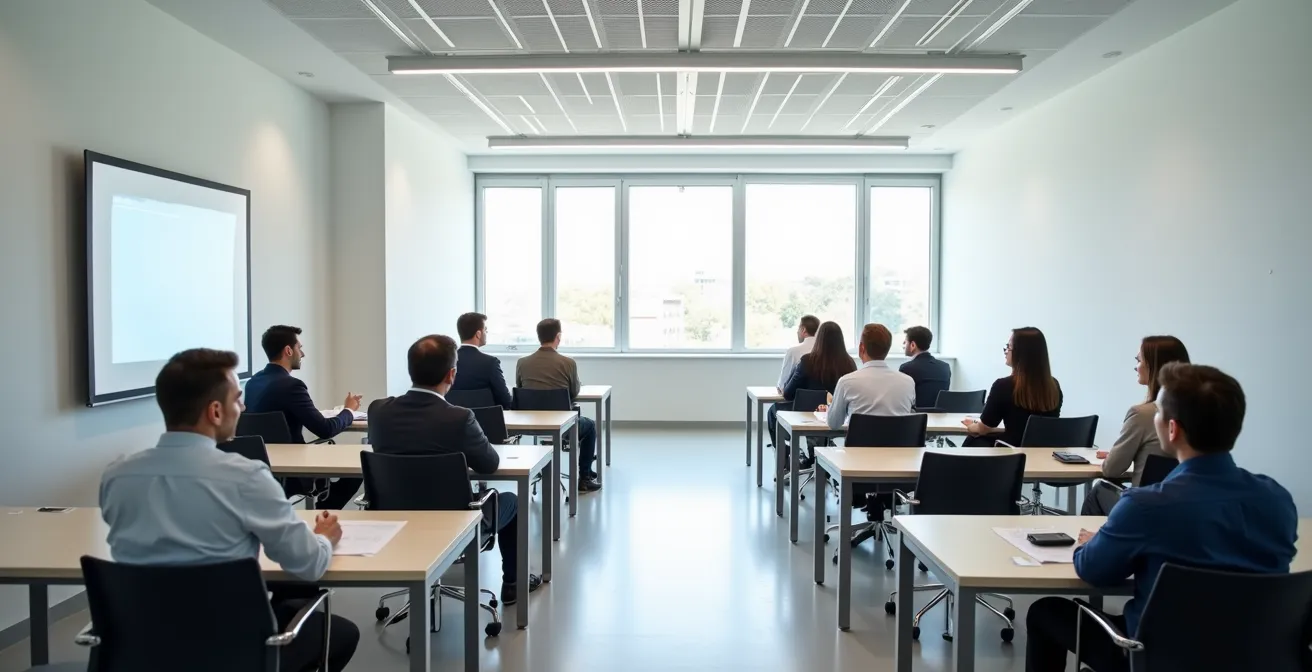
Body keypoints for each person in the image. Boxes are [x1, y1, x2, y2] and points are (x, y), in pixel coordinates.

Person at [1025, 363, 1297, 672]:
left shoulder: (1145, 506)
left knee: (1045, 612)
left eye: (1158, 413)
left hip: (1154, 657)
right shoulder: (1278, 500)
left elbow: (1093, 570)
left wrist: (1093, 543)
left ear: (1172, 429)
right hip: (1254, 658)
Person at [100, 349, 359, 672]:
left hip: (140, 648)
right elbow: (308, 565)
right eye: (238, 399)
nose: (245, 407)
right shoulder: (246, 478)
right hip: (231, 650)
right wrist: (324, 538)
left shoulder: (117, 476)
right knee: (343, 633)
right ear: (216, 412)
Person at [368, 335, 542, 605]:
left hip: (393, 521)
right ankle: (513, 584)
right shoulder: (459, 418)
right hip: (454, 525)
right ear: (451, 374)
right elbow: (489, 464)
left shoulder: (377, 411)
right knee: (512, 501)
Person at [244, 325, 362, 510]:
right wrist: (349, 410)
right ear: (288, 350)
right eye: (300, 347)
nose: (303, 354)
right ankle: (327, 509)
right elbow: (325, 429)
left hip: (260, 465)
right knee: (360, 463)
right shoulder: (292, 386)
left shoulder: (252, 383)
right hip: (292, 470)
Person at [515, 318, 600, 492]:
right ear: (558, 337)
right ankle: (584, 477)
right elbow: (574, 392)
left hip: (529, 424)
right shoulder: (568, 363)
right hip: (560, 425)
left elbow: (520, 389)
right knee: (590, 425)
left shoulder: (522, 362)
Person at [1102, 335, 1191, 484]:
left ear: (1153, 365)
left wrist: (1116, 456)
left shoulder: (1141, 414)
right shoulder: (1200, 414)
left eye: (1138, 360)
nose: (1136, 366)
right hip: (1189, 503)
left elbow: (1111, 469)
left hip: (1145, 503)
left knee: (1099, 490)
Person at [963, 327, 1061, 447]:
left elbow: (984, 428)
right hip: (1043, 453)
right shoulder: (1053, 386)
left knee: (973, 441)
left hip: (1012, 455)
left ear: (1020, 353)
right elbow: (1027, 430)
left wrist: (972, 425)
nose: (1005, 351)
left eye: (1009, 347)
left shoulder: (1002, 386)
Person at [769, 321, 856, 441]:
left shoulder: (807, 361)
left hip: (804, 414)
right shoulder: (849, 364)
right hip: (836, 416)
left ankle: (785, 454)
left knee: (773, 410)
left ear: (818, 339)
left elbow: (788, 394)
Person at [819, 323, 916, 430]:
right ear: (887, 349)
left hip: (859, 445)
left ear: (861, 348)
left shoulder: (846, 382)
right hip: (899, 445)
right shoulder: (908, 382)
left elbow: (833, 423)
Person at [450, 312, 513, 409]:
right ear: (478, 334)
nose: (486, 333)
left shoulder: (447, 361)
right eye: (485, 330)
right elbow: (505, 399)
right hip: (486, 422)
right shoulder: (490, 362)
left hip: (453, 420)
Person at [898, 326, 951, 410]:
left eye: (905, 342)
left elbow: (902, 399)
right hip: (941, 417)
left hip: (916, 419)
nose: (903, 345)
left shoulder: (906, 368)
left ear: (912, 345)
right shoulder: (945, 367)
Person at [776, 314, 820, 389]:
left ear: (803, 330)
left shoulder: (793, 351)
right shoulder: (826, 352)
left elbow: (782, 385)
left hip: (796, 399)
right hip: (823, 400)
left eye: (798, 328)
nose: (797, 332)